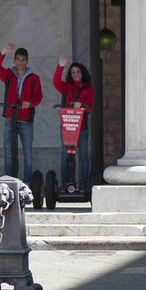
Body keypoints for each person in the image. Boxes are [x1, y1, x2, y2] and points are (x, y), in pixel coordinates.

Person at [0, 42, 42, 184]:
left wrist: (30, 103)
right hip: (10, 118)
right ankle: (10, 181)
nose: (20, 62)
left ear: (26, 61)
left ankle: (26, 183)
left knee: (27, 153)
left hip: (26, 120)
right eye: (18, 59)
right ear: (14, 60)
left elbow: (38, 96)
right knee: (8, 153)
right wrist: (2, 53)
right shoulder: (9, 75)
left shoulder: (34, 78)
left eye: (23, 60)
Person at [53, 57, 95, 192]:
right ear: (70, 75)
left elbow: (90, 106)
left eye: (78, 72)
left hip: (82, 127)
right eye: (73, 72)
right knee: (66, 155)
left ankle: (83, 184)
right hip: (67, 127)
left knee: (83, 156)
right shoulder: (67, 87)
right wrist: (60, 67)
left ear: (82, 73)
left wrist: (82, 106)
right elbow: (55, 83)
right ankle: (66, 184)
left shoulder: (88, 89)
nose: (76, 74)